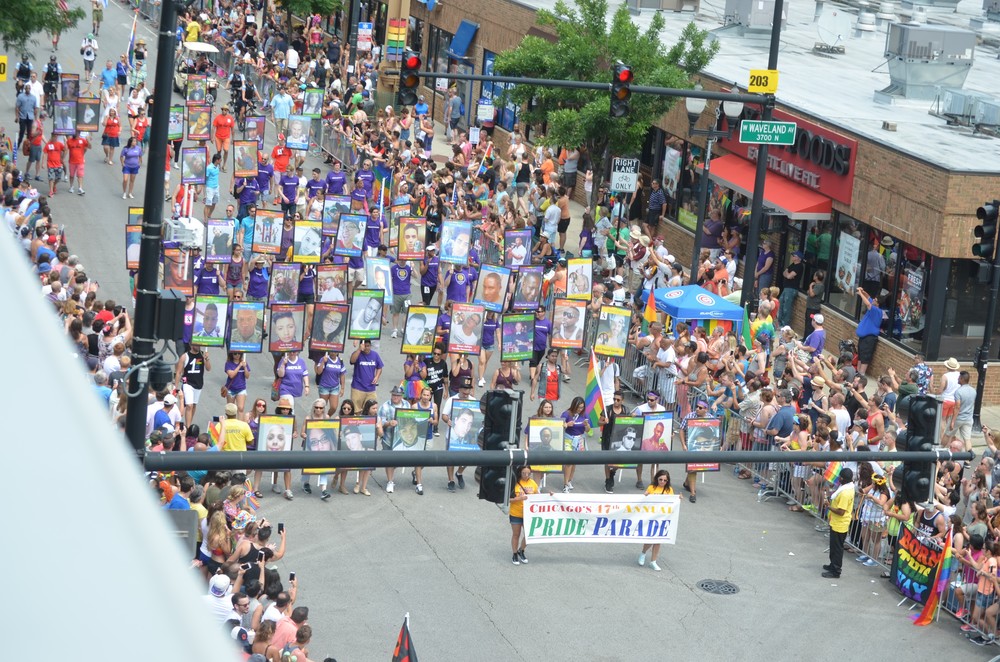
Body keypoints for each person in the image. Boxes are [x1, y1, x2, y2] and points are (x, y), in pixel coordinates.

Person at [637, 470, 674, 572]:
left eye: (665, 480)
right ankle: (643, 553)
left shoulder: (669, 490)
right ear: (656, 479)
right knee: (650, 538)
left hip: (662, 518)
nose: (662, 482)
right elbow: (644, 499)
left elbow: (672, 502)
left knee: (658, 540)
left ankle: (653, 561)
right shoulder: (652, 488)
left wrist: (678, 499)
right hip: (651, 517)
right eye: (660, 479)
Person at [822, 467, 855, 579]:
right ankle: (832, 565)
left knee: (837, 548)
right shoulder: (845, 487)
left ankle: (836, 571)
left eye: (840, 477)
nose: (839, 479)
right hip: (836, 522)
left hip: (840, 524)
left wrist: (829, 507)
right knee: (833, 546)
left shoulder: (845, 493)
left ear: (843, 478)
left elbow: (841, 511)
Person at [509, 465, 545, 566]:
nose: (526, 475)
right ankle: (515, 553)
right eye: (524, 473)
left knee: (529, 535)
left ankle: (521, 550)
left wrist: (550, 495)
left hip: (529, 514)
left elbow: (540, 497)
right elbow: (506, 499)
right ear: (519, 472)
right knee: (516, 534)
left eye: (528, 473)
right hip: (516, 513)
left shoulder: (532, 483)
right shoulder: (514, 483)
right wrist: (517, 499)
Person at [855, 286, 882, 376]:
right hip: (863, 337)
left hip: (869, 338)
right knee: (861, 355)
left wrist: (860, 294)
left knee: (865, 357)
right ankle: (857, 372)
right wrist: (863, 291)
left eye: (875, 300)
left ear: (878, 304)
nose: (873, 300)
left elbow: (867, 303)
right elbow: (868, 297)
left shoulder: (877, 311)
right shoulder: (873, 306)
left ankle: (861, 373)